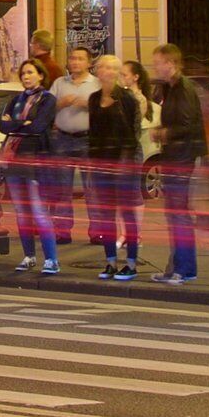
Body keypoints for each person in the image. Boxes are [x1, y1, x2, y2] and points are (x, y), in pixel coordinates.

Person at [146, 42, 209, 284]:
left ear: (170, 64)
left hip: (182, 157)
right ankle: (177, 267)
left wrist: (164, 133)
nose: (156, 68)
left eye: (158, 64)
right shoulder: (171, 87)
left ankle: (184, 269)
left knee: (179, 213)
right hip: (176, 155)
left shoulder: (183, 89)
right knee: (174, 213)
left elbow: (187, 126)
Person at [81, 55, 148, 278]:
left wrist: (124, 163)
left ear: (118, 72)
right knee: (105, 214)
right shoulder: (93, 99)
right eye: (101, 67)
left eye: (110, 68)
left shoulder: (128, 99)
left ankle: (131, 262)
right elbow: (94, 133)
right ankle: (110, 260)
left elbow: (134, 134)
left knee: (127, 213)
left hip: (124, 162)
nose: (105, 71)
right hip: (101, 160)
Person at [0, 57, 62, 274]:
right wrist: (23, 123)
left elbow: (40, 126)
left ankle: (51, 259)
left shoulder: (47, 100)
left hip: (35, 159)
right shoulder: (16, 100)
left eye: (31, 72)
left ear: (41, 75)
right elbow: (2, 126)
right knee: (21, 212)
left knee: (39, 211)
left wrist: (16, 125)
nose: (26, 77)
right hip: (14, 160)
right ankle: (29, 255)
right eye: (23, 74)